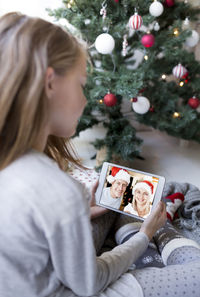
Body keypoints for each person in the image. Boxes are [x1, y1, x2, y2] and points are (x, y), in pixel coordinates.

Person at [0, 12, 200, 297]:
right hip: (74, 288)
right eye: (82, 84)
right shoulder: (58, 190)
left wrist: (82, 212)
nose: (85, 99)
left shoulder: (14, 162)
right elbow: (88, 284)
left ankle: (133, 228)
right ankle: (151, 237)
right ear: (50, 83)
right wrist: (145, 236)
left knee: (109, 204)